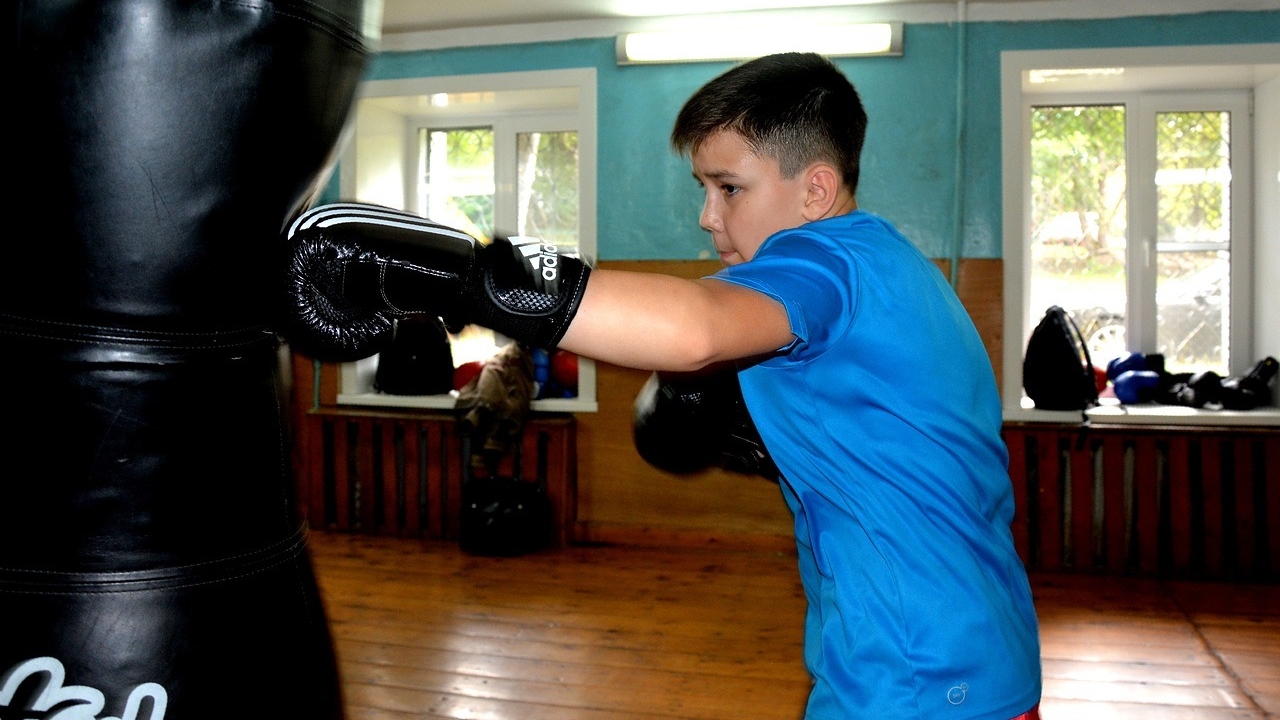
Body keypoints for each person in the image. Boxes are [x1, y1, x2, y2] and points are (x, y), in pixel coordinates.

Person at [283, 51, 1042, 720]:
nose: (708, 217)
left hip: (921, 681)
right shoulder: (893, 268)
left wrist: (462, 275)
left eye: (730, 188)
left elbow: (693, 328)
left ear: (815, 191)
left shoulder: (828, 262)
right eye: (702, 188)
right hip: (965, 651)